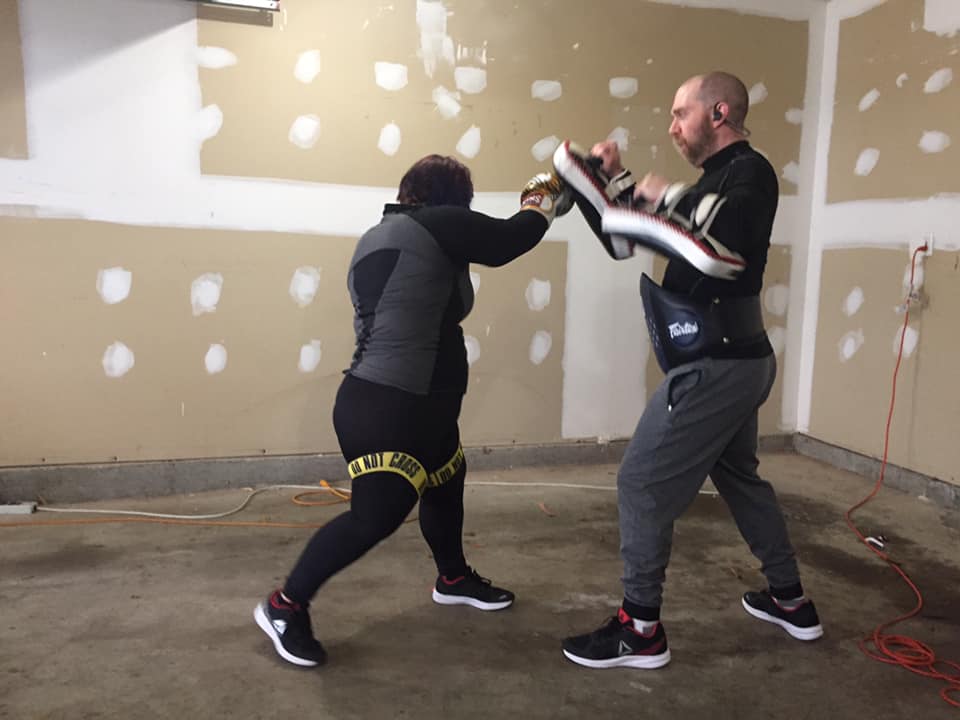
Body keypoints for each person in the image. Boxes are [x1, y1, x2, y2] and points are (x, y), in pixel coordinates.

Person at [254, 154, 572, 668]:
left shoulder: (385, 235)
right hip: (389, 406)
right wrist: (545, 192)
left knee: (446, 479)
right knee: (375, 517)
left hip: (416, 404)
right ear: (453, 200)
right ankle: (284, 606)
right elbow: (510, 239)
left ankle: (453, 577)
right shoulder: (434, 224)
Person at [552, 71, 822, 670]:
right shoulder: (712, 182)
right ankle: (790, 600)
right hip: (733, 360)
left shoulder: (750, 172)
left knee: (641, 483)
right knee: (740, 478)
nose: (672, 126)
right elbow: (627, 241)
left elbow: (727, 235)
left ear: (719, 113)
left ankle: (640, 630)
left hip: (716, 366)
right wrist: (611, 185)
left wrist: (662, 193)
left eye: (681, 113)